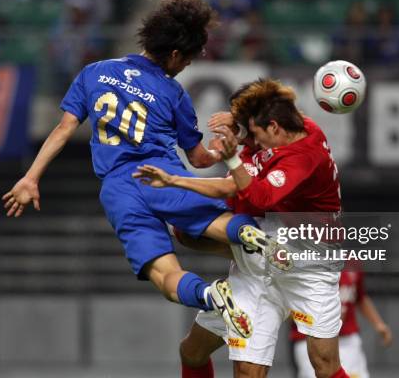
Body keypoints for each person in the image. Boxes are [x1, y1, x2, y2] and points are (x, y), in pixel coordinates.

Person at [2, 0, 277, 339]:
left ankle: (210, 295)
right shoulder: (172, 92)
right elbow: (197, 158)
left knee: (165, 275)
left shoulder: (94, 72)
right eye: (189, 59)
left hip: (118, 190)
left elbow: (63, 129)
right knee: (213, 223)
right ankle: (253, 235)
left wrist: (30, 178)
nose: (187, 66)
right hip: (163, 177)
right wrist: (223, 149)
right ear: (176, 55)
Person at [134, 79, 349, 378]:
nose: (255, 141)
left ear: (274, 128)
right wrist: (237, 125)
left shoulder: (304, 156)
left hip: (310, 264)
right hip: (264, 259)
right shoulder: (288, 129)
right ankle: (240, 248)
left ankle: (235, 245)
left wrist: (182, 178)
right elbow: (236, 175)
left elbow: (258, 195)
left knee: (326, 367)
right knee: (196, 353)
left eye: (257, 134)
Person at [291, 270, 393, 378]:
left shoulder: (352, 262)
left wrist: (378, 323)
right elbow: (290, 307)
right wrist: (320, 320)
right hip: (311, 341)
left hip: (347, 340)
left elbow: (360, 297)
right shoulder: (303, 262)